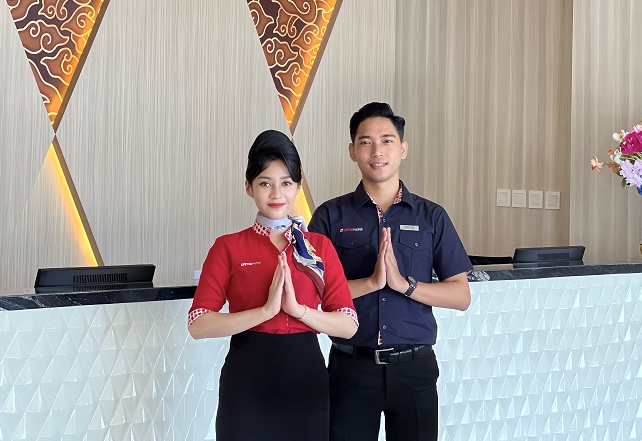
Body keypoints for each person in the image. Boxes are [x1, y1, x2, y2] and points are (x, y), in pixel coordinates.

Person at [309, 102, 472, 441]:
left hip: (414, 370)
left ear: (403, 149)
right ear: (352, 151)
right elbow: (313, 295)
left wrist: (404, 285)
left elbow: (460, 295)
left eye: (386, 140)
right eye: (365, 142)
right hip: (351, 368)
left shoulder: (431, 216)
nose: (377, 151)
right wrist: (371, 283)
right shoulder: (329, 216)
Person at [188, 130, 358, 441]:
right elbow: (198, 324)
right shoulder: (228, 247)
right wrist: (264, 312)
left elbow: (348, 325)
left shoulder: (318, 247)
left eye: (286, 183)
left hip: (306, 384)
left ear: (298, 187)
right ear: (249, 187)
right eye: (265, 183)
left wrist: (299, 311)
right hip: (246, 385)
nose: (277, 193)